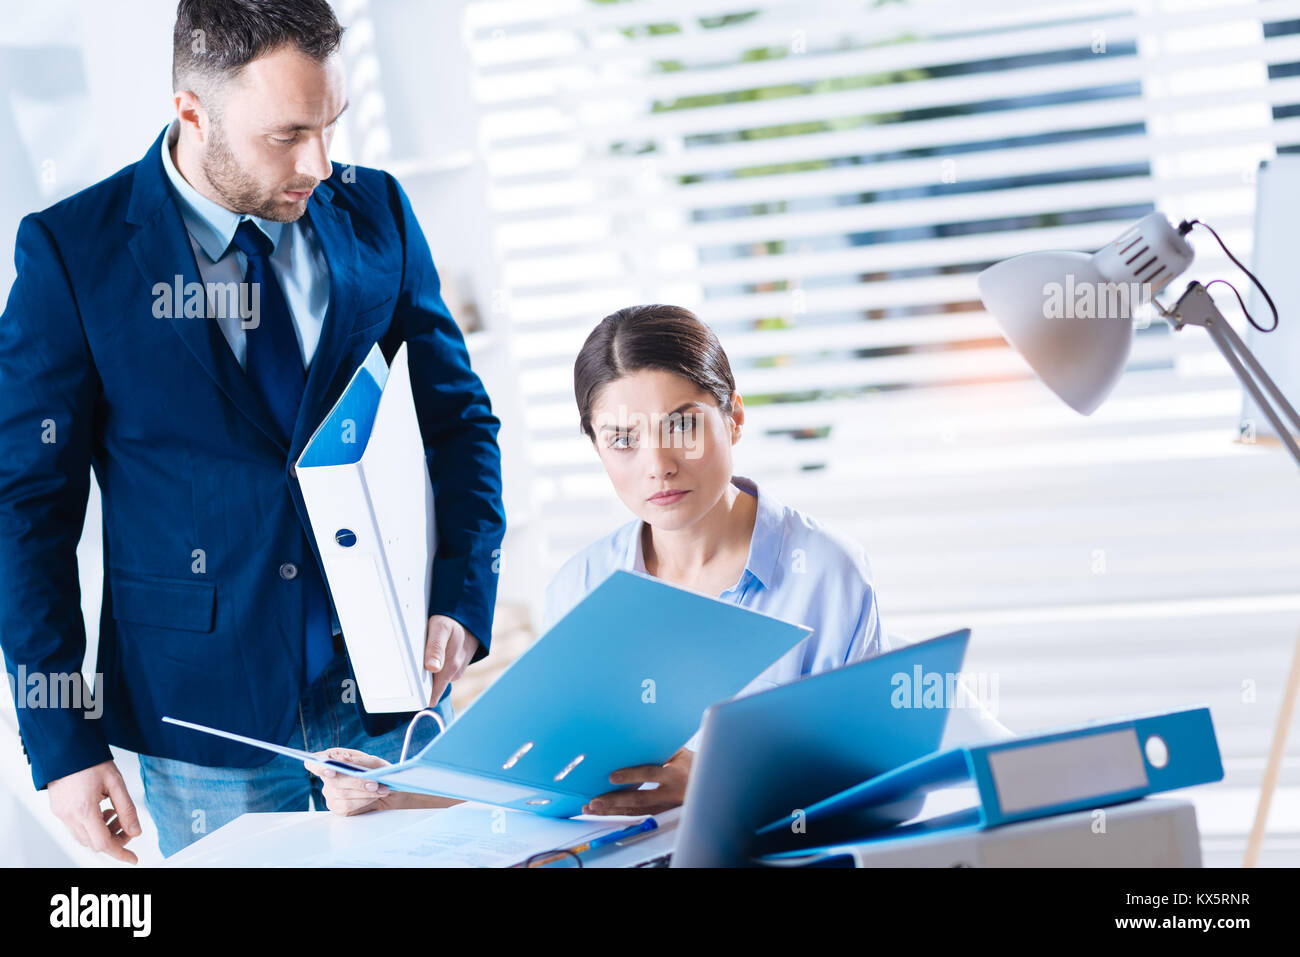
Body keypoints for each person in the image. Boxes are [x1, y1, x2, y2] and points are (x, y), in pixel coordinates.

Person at [0, 0, 504, 860]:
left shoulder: (375, 210)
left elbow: (459, 418)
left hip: (390, 688)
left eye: (330, 125)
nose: (318, 162)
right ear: (192, 111)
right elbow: (25, 510)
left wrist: (462, 594)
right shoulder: (72, 254)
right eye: (287, 135)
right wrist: (62, 743)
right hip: (202, 722)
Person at [310, 304, 1010, 817]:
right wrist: (395, 787)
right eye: (622, 439)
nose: (658, 464)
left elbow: (878, 789)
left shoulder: (824, 572)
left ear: (733, 416)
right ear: (595, 445)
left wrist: (713, 780)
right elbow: (545, 774)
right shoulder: (583, 585)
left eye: (683, 424)